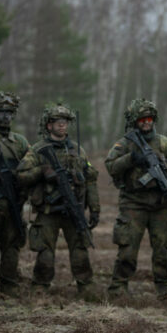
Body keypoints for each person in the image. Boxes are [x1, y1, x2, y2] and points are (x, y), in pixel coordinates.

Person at [105, 98, 167, 299]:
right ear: (135, 121)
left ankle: (165, 287)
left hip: (160, 205)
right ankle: (118, 288)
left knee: (163, 250)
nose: (146, 122)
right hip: (133, 204)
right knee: (127, 249)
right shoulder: (125, 143)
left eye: (149, 118)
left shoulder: (164, 143)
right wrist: (131, 158)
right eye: (142, 119)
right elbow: (110, 165)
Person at [17, 102, 100, 298]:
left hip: (73, 210)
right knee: (45, 253)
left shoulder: (78, 150)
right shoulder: (38, 150)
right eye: (57, 122)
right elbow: (21, 175)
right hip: (48, 211)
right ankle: (40, 287)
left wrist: (95, 208)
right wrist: (43, 171)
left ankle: (86, 287)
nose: (62, 125)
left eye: (64, 122)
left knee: (80, 250)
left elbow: (90, 180)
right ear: (49, 126)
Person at [0, 92, 30, 297]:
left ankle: (9, 286)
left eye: (9, 113)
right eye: (0, 112)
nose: (5, 117)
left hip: (13, 203)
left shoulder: (20, 141)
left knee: (12, 244)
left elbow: (30, 166)